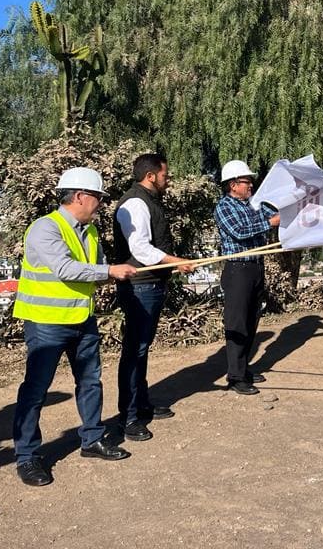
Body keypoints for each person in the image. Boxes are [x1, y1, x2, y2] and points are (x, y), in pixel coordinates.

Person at [11, 167, 138, 487]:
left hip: (82, 319)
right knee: (36, 390)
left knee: (90, 382)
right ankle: (27, 456)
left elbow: (91, 271)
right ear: (80, 196)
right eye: (98, 197)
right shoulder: (44, 228)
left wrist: (112, 273)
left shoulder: (90, 232)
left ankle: (92, 439)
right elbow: (66, 269)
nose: (100, 203)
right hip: (47, 324)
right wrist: (109, 269)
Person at [112, 153, 195, 442]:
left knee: (142, 349)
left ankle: (142, 404)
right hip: (140, 287)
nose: (167, 179)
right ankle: (129, 415)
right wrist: (176, 261)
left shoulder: (147, 200)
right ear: (150, 176)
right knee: (135, 351)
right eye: (165, 175)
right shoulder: (135, 203)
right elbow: (142, 250)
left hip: (151, 285)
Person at [214, 160, 280, 395]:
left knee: (252, 318)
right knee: (237, 323)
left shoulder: (254, 204)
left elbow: (275, 215)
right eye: (246, 181)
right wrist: (267, 223)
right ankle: (235, 376)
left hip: (255, 267)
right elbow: (239, 232)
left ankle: (243, 368)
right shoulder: (224, 206)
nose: (251, 185)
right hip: (237, 270)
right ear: (233, 185)